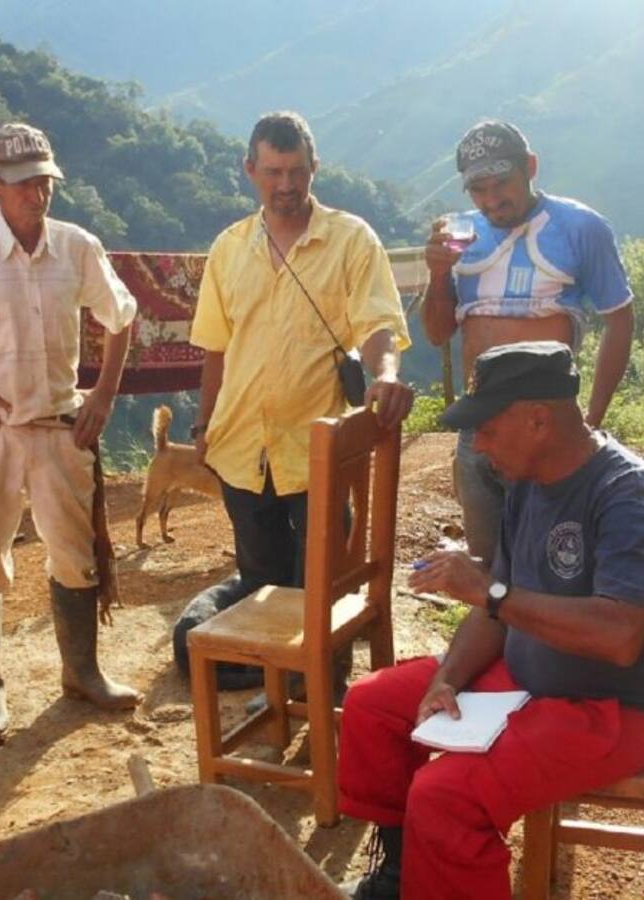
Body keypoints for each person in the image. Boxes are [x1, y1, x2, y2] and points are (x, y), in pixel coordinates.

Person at [336, 341, 644, 900]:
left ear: (538, 419)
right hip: (533, 676)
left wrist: (491, 591)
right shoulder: (527, 482)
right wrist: (448, 679)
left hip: (616, 708)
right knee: (372, 706)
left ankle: (433, 873)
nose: (478, 445)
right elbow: (495, 611)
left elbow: (621, 637)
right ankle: (406, 873)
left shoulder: (630, 496)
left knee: (445, 796)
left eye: (487, 428)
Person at [172, 112, 413, 694]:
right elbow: (216, 350)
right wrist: (204, 424)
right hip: (240, 448)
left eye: (297, 171)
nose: (285, 184)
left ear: (314, 169)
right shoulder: (229, 249)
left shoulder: (351, 239)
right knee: (263, 580)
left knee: (323, 586)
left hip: (318, 451)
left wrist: (385, 375)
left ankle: (322, 701)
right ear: (250, 170)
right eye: (273, 171)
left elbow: (378, 324)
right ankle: (279, 684)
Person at [0, 122, 142, 744]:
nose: (37, 195)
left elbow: (122, 316)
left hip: (60, 424)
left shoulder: (76, 247)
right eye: (23, 185)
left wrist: (106, 395)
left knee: (74, 556)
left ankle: (82, 671)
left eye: (45, 182)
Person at [421, 120, 635, 564]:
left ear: (531, 168)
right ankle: (497, 627)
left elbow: (620, 319)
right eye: (479, 189)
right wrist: (438, 274)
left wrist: (592, 418)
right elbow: (438, 332)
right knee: (487, 561)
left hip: (547, 427)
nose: (493, 199)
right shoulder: (460, 235)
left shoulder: (580, 227)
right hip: (478, 426)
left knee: (552, 563)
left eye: (503, 183)